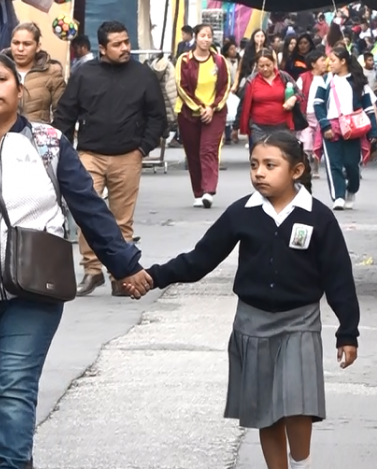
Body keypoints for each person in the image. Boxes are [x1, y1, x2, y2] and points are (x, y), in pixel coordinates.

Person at [0, 52, 151, 469]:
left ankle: (11, 464)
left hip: (37, 290)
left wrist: (124, 263)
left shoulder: (48, 143)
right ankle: (17, 459)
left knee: (12, 384)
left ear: (19, 90)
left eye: (1, 78)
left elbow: (89, 208)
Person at [125, 130, 359, 469]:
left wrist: (347, 332)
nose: (259, 173)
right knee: (266, 412)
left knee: (298, 401)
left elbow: (338, 277)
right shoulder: (242, 213)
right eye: (254, 165)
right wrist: (153, 276)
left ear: (296, 171)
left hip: (300, 321)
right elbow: (200, 259)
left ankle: (301, 461)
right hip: (253, 323)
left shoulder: (317, 217)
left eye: (270, 165)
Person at [53, 21, 166, 297]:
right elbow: (66, 113)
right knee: (85, 213)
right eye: (117, 44)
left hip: (129, 155)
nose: (125, 48)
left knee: (122, 219)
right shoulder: (84, 75)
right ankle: (92, 270)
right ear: (102, 48)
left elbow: (158, 116)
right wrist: (63, 152)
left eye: (126, 42)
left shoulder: (143, 75)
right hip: (89, 155)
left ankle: (121, 273)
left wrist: (143, 148)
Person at [314, 47, 377, 211]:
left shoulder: (358, 82)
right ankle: (338, 197)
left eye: (333, 60)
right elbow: (318, 104)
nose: (330, 64)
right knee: (333, 164)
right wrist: (325, 125)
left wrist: (373, 133)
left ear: (343, 62)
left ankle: (352, 189)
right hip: (331, 128)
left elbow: (368, 108)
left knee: (352, 164)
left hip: (353, 128)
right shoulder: (325, 80)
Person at [175, 24, 231, 208]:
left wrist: (212, 108)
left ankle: (208, 190)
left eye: (209, 36)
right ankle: (198, 192)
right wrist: (199, 108)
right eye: (202, 35)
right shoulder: (184, 60)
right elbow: (181, 87)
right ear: (195, 37)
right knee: (192, 153)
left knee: (208, 150)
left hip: (214, 113)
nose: (206, 39)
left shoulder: (219, 61)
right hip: (188, 113)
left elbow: (225, 86)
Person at [3, 22, 66, 122]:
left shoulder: (52, 73)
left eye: (27, 44)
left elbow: (62, 113)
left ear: (37, 47)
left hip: (37, 134)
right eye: (16, 43)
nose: (20, 49)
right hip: (2, 134)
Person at [238, 48, 300, 147]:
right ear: (256, 66)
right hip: (258, 128)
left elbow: (299, 93)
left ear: (274, 63)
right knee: (261, 157)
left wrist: (293, 99)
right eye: (261, 66)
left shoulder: (284, 77)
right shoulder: (252, 81)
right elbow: (244, 104)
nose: (265, 69)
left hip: (283, 126)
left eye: (268, 65)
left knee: (281, 157)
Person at [296, 50, 328, 179]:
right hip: (307, 116)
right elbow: (297, 94)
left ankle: (316, 166)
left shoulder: (327, 78)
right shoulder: (303, 78)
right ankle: (307, 166)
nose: (325, 63)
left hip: (321, 116)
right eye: (322, 60)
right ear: (313, 64)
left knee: (318, 142)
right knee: (307, 142)